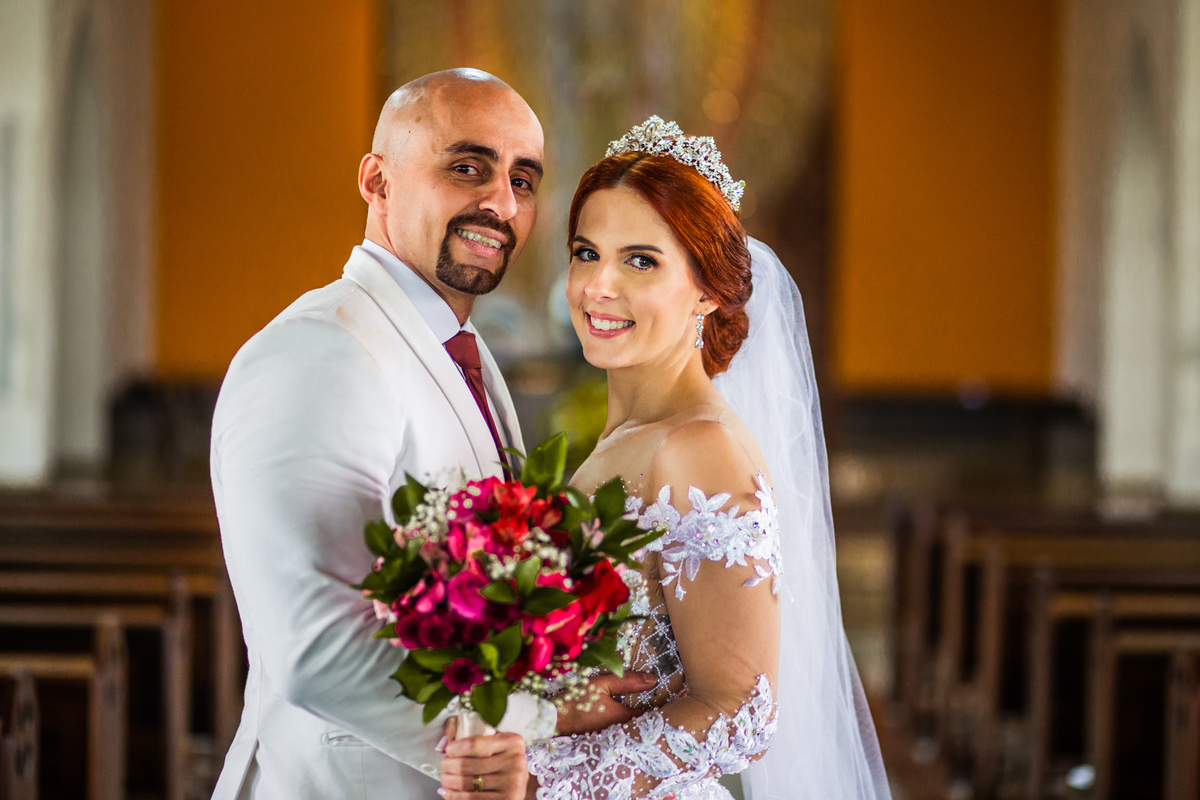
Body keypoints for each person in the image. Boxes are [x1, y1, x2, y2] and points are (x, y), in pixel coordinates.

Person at [209, 70, 652, 800]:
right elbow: (313, 648)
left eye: (523, 180)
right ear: (377, 182)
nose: (501, 203)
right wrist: (540, 718)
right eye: (467, 168)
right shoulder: (320, 351)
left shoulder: (459, 350)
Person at [506, 118, 892, 799]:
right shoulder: (632, 435)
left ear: (708, 291)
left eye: (641, 261)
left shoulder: (697, 448)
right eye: (586, 253)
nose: (599, 286)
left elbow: (740, 711)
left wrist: (536, 777)